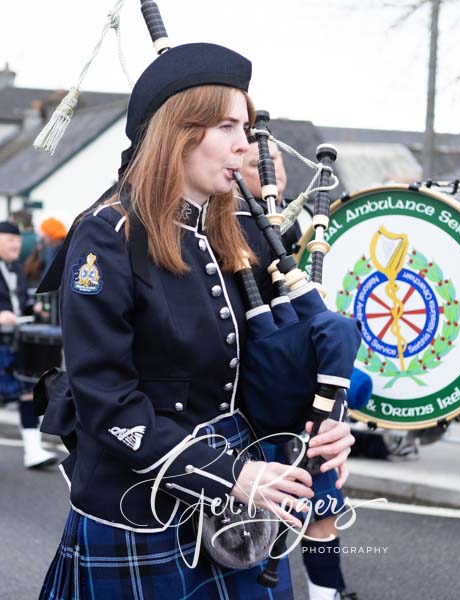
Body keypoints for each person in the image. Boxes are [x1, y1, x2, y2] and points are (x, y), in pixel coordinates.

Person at [38, 43, 355, 600]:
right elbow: (105, 399)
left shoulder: (240, 234)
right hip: (141, 509)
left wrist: (326, 422)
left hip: (243, 505)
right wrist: (228, 474)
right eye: (227, 126)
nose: (245, 144)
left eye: (246, 127)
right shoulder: (106, 236)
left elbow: (267, 367)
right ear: (178, 132)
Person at [241, 147, 358, 600]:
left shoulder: (290, 224)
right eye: (259, 160)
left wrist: (336, 413)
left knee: (322, 511)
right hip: (257, 398)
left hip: (306, 393)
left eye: (276, 160)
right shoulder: (214, 226)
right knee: (256, 522)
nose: (273, 169)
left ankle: (327, 593)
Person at [0, 221, 57, 468]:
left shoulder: (17, 267)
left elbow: (20, 301)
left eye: (18, 240)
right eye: (10, 240)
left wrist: (33, 307)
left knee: (27, 392)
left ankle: (33, 451)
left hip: (14, 340)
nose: (16, 245)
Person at [240, 138, 301, 255]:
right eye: (256, 164)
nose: (269, 169)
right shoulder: (241, 220)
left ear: (281, 157)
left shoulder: (288, 209)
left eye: (272, 159)